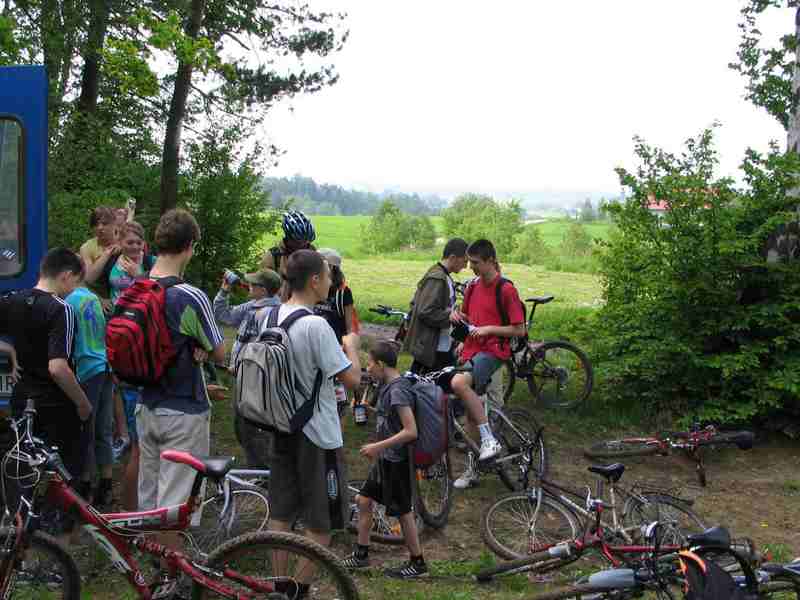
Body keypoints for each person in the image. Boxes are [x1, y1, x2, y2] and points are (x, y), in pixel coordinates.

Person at [265, 250, 361, 596]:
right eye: (328, 275)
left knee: (281, 513)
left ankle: (279, 586)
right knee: (322, 523)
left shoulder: (271, 315)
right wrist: (352, 346)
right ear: (314, 280)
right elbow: (352, 380)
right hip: (317, 432)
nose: (332, 281)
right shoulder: (316, 325)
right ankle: (297, 590)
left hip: (281, 424)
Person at [136, 209, 225, 561]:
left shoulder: (136, 287)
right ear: (189, 246)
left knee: (150, 498)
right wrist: (201, 346)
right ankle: (172, 577)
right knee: (175, 505)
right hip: (183, 409)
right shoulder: (189, 295)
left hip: (145, 405)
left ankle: (152, 568)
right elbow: (219, 351)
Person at [0, 248, 92, 540]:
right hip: (56, 406)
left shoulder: (12, 300)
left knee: (24, 471)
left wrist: (10, 350)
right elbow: (58, 367)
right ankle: (56, 543)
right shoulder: (60, 309)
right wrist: (82, 403)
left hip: (22, 400)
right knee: (62, 475)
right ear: (66, 275)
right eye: (75, 282)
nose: (73, 290)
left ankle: (20, 540)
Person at [342, 340, 428, 579]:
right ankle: (361, 555)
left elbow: (410, 431)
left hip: (396, 461)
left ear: (381, 364)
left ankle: (418, 563)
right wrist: (367, 410)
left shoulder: (398, 390)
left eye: (370, 363)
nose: (368, 368)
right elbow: (392, 419)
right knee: (363, 500)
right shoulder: (390, 386)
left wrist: (377, 447)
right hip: (385, 460)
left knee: (404, 512)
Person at [451, 239, 526, 489]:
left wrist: (489, 329)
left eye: (475, 262)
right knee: (470, 415)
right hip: (472, 350)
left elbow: (519, 329)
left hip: (493, 351)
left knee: (459, 383)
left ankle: (489, 439)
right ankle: (473, 470)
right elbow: (469, 317)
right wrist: (456, 317)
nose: (470, 266)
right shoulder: (473, 286)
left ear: (490, 261)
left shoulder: (506, 289)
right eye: (469, 261)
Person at [213, 268, 282, 467]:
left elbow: (266, 350)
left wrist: (243, 366)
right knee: (242, 426)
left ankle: (263, 472)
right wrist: (224, 291)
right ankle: (257, 467)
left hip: (257, 382)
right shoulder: (251, 306)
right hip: (242, 378)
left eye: (253, 284)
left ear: (263, 290)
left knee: (256, 429)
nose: (248, 286)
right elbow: (224, 315)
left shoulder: (272, 313)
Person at [66, 272, 114, 508]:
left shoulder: (68, 301)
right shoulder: (92, 298)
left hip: (86, 368)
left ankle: (85, 487)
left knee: (85, 429)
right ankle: (106, 484)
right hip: (104, 365)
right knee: (103, 429)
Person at [403, 238, 469, 374]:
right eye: (464, 261)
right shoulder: (437, 278)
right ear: (453, 258)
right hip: (433, 349)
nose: (465, 266)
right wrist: (449, 316)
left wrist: (454, 311)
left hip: (441, 346)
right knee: (427, 384)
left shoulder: (444, 276)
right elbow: (425, 311)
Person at [313, 248, 358, 423]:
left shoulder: (343, 292)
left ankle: (337, 419)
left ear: (331, 267)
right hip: (315, 344)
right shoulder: (313, 287)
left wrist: (347, 347)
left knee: (337, 390)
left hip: (335, 347)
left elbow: (349, 325)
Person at [260, 210, 316, 297]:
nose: (303, 246)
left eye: (306, 242)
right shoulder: (273, 257)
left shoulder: (313, 253)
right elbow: (264, 290)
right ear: (288, 237)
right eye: (298, 242)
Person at [79, 206, 120, 306]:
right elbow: (88, 279)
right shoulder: (87, 247)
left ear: (114, 224)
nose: (100, 228)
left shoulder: (125, 242)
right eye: (96, 224)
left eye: (105, 224)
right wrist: (107, 254)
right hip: (100, 298)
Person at [108, 221, 156, 304]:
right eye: (130, 243)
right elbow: (94, 283)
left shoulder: (151, 261)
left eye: (139, 243)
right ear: (120, 242)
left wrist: (139, 276)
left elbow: (157, 289)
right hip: (117, 310)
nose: (135, 246)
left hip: (141, 309)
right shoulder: (112, 260)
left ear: (144, 243)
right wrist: (102, 299)